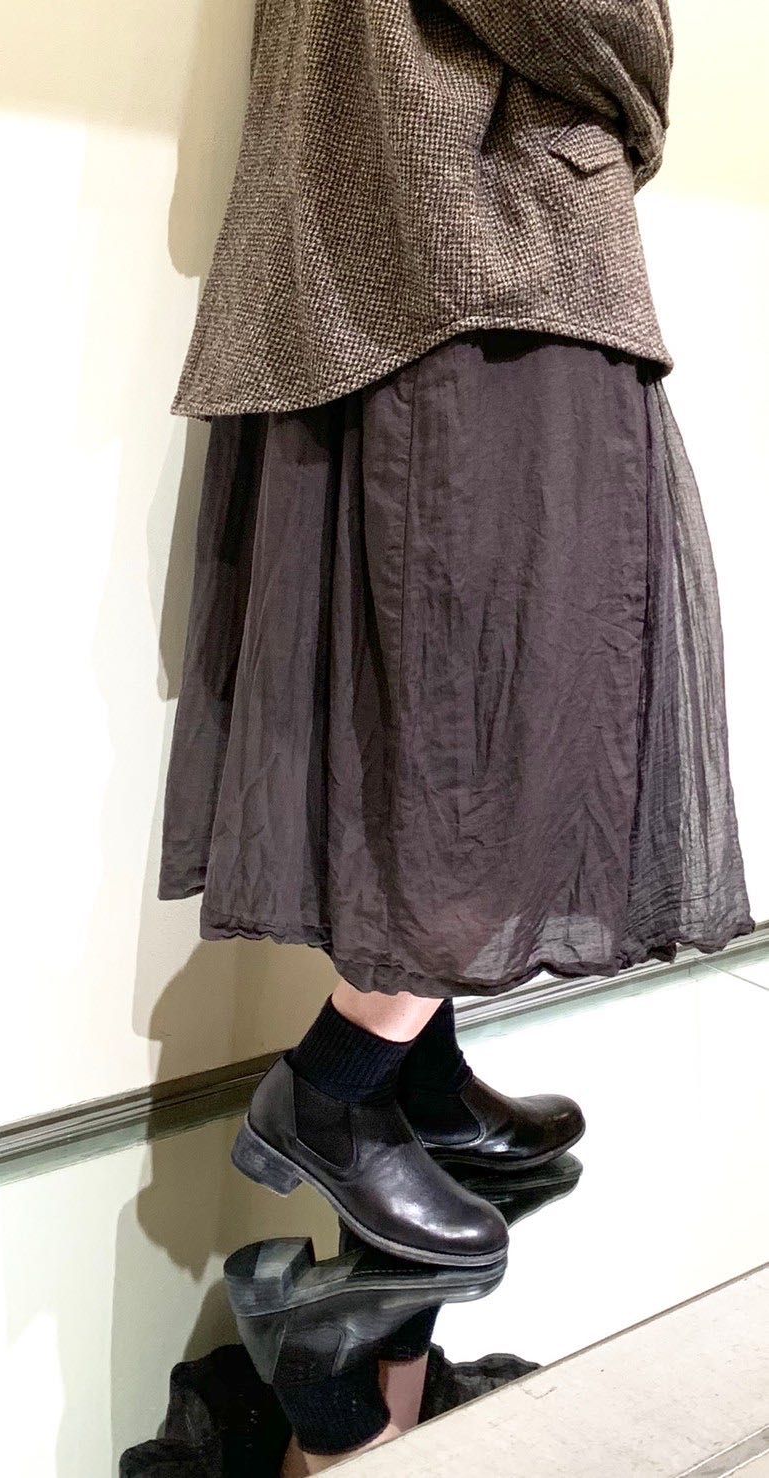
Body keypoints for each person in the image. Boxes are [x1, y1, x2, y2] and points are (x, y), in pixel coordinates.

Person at [159, 0, 752, 1269]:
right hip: (476, 259)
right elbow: (594, 21)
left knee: (427, 707)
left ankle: (414, 1068)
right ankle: (334, 1083)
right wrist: (644, 77)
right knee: (507, 701)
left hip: (383, 253)